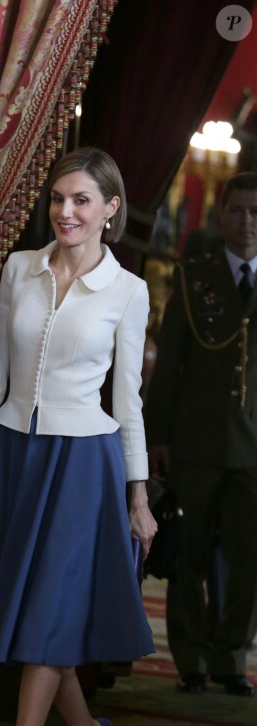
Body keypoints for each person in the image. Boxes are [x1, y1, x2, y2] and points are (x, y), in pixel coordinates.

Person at [0, 147, 157, 726]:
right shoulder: (19, 269)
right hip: (16, 453)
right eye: (58, 199)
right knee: (37, 624)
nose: (66, 212)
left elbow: (129, 403)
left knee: (45, 623)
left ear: (111, 209)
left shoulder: (129, 292)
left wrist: (137, 495)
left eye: (81, 201)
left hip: (84, 466)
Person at [145, 172, 257, 698]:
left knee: (248, 558)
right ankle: (190, 658)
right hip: (197, 440)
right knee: (189, 554)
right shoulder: (196, 277)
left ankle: (231, 656)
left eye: (256, 212)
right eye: (238, 211)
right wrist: (158, 435)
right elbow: (169, 367)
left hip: (254, 449)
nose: (248, 222)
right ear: (221, 217)